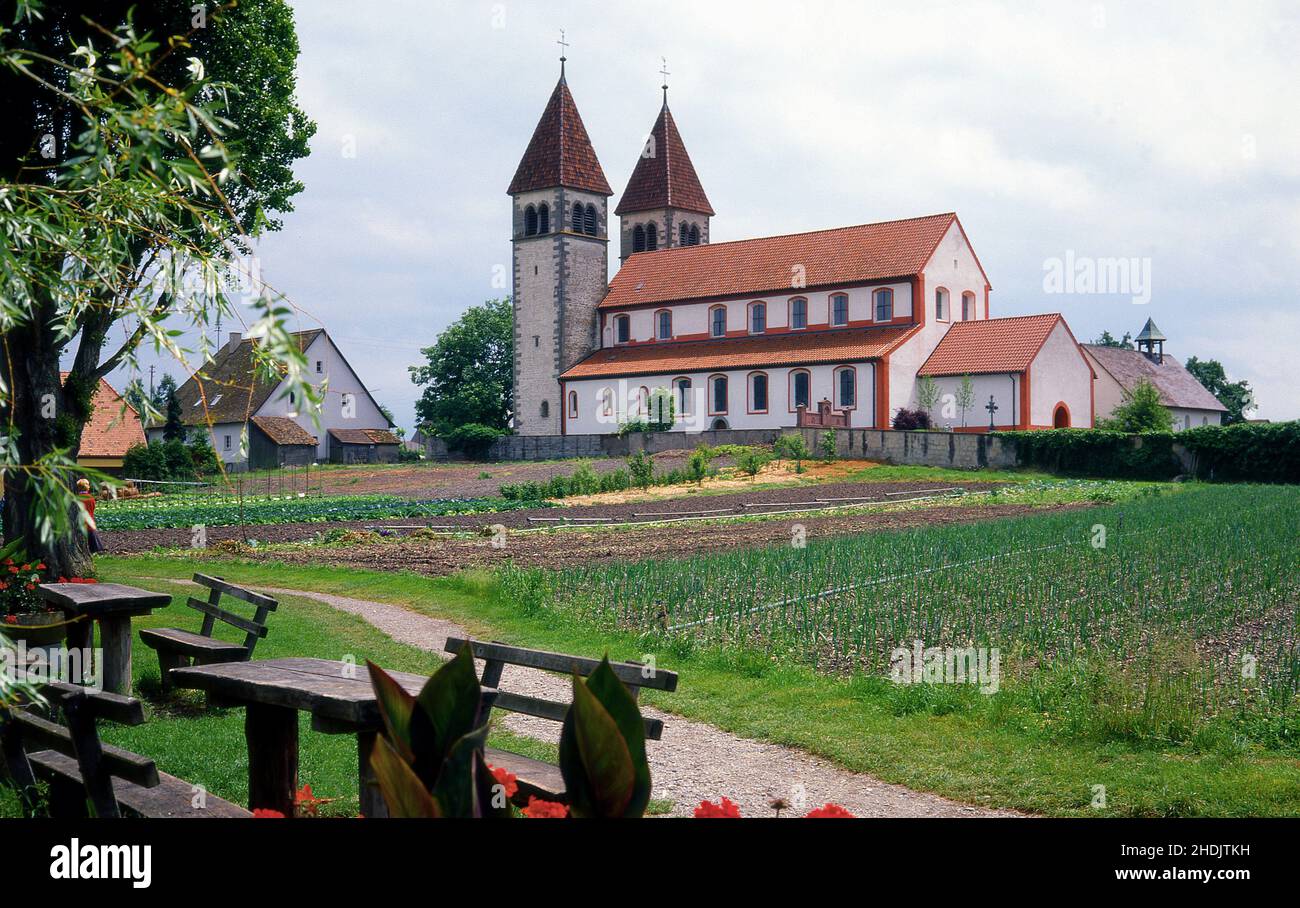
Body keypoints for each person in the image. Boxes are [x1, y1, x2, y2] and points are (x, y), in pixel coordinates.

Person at [76, 478, 103, 554]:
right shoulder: (90, 498)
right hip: (90, 519)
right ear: (87, 486)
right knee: (92, 535)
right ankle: (97, 549)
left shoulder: (77, 498)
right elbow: (93, 508)